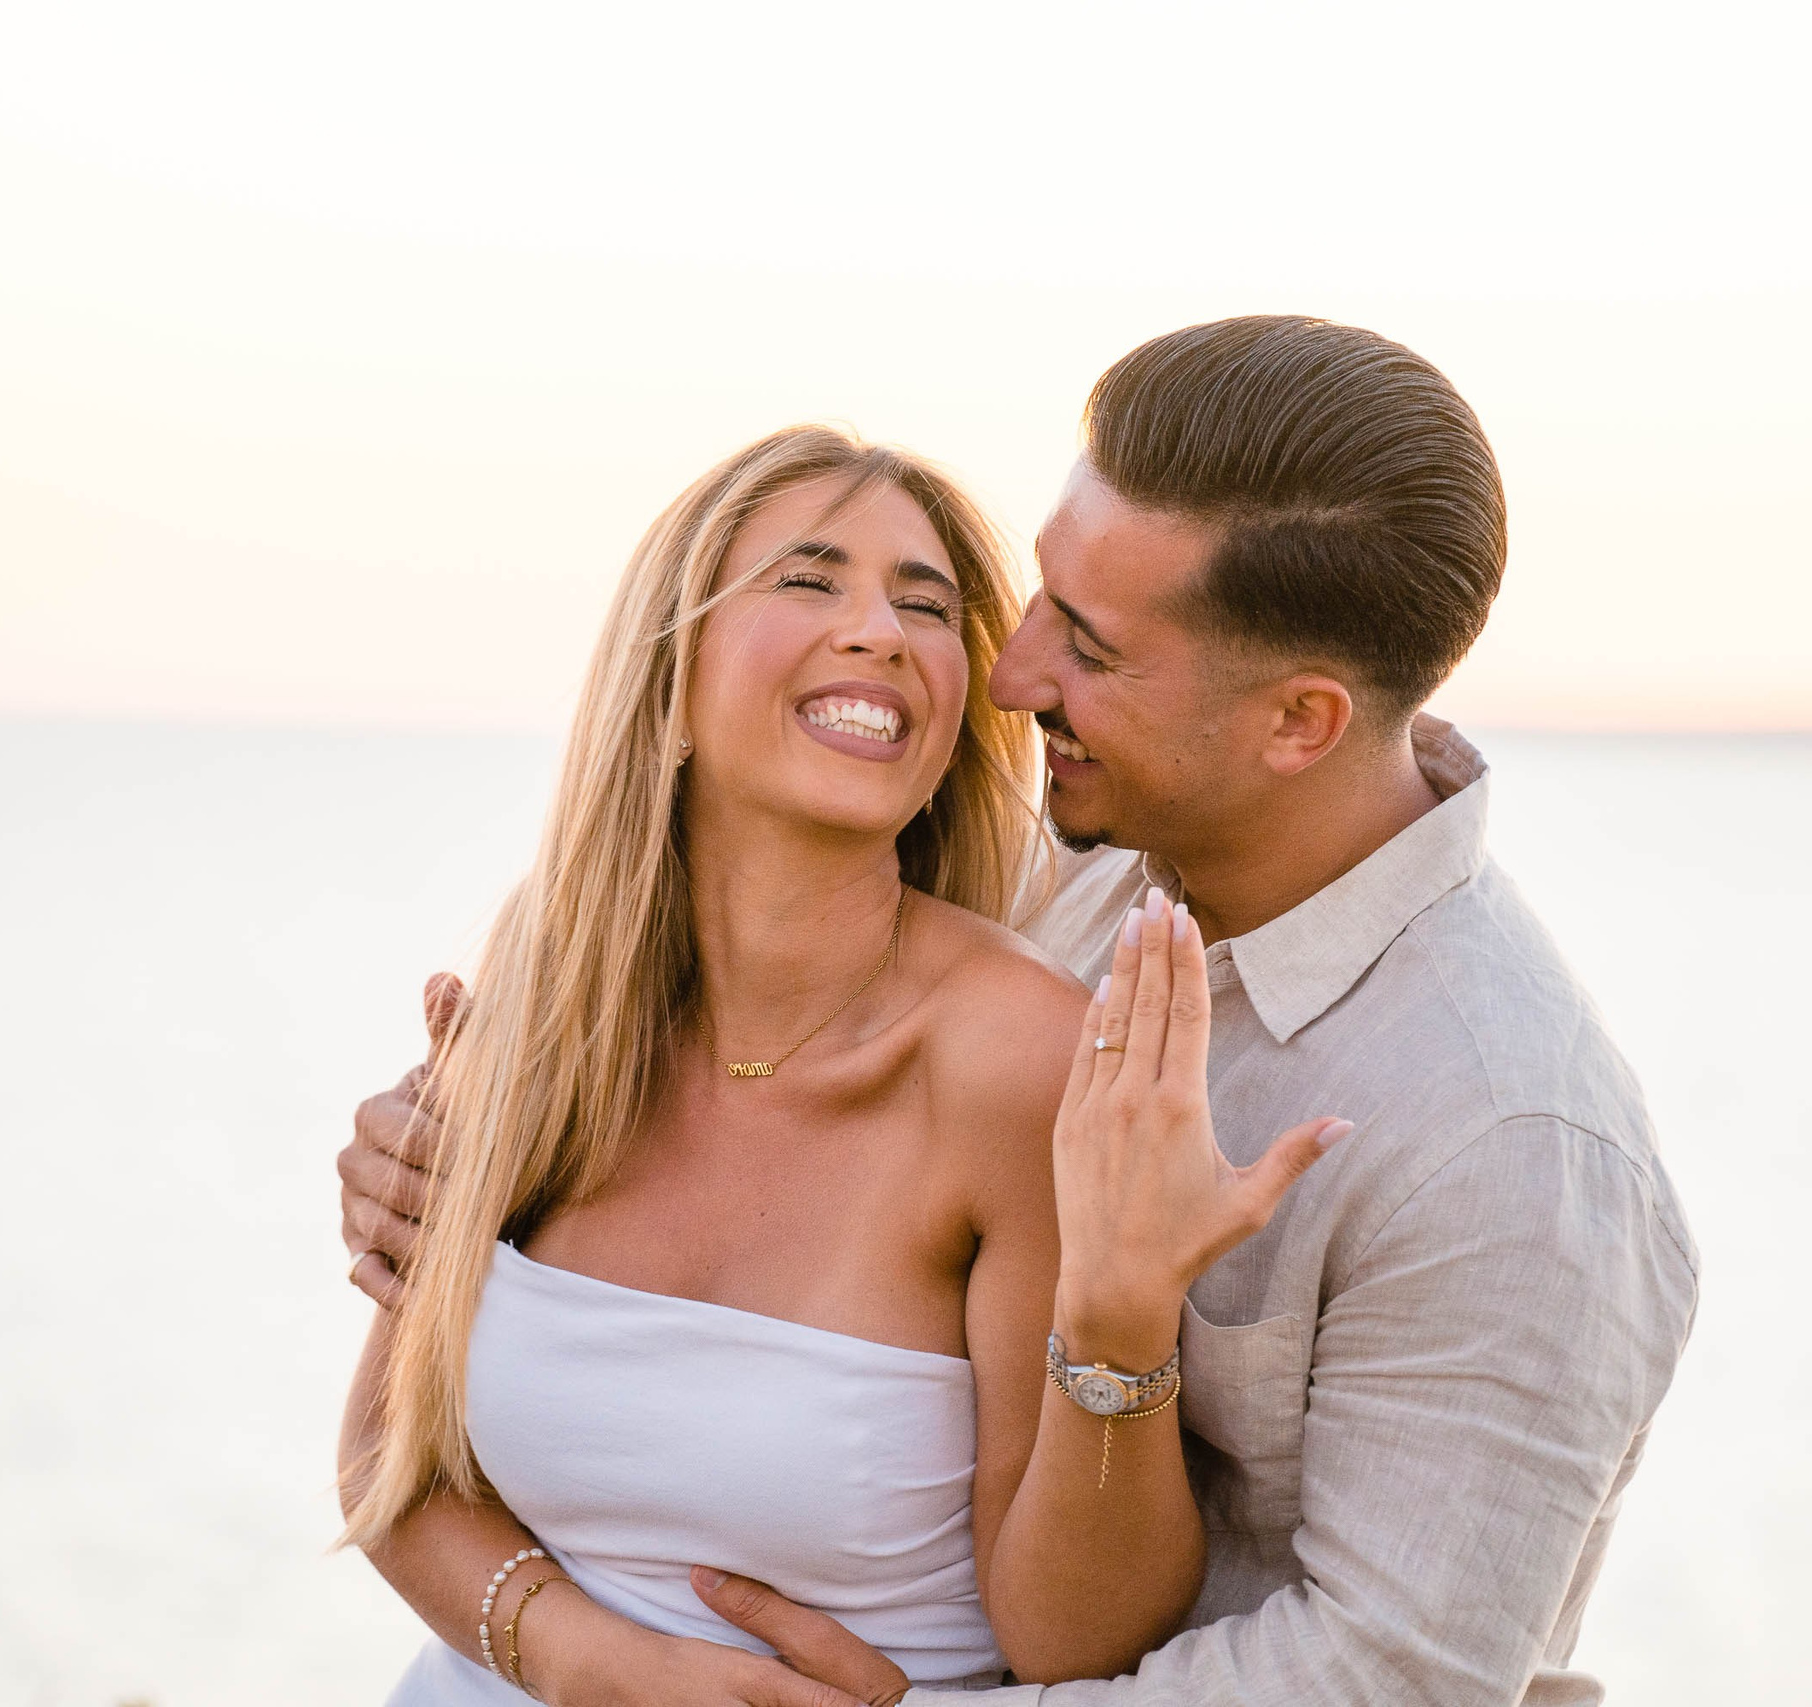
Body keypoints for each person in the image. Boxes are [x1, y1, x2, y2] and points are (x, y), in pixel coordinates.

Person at [342, 317, 1700, 1704]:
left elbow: (1390, 1677)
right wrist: (430, 1183)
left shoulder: (1513, 1147)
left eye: (1090, 648)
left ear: (1297, 722)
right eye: (1034, 595)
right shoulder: (1060, 872)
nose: (1008, 671)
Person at [337, 423, 1344, 1706]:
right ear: (671, 676)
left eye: (924, 606)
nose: (880, 630)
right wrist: (599, 1665)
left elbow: (1071, 1642)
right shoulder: (547, 1003)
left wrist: (1124, 1316)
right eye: (810, 581)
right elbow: (388, 1459)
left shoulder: (1017, 1060)